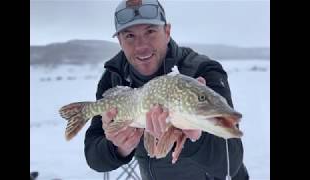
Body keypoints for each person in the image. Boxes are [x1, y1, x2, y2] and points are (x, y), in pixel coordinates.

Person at [84, 0, 249, 179]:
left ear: (167, 32)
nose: (141, 46)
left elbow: (231, 162)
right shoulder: (114, 77)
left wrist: (194, 136)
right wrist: (119, 147)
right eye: (129, 36)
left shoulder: (202, 70)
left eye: (150, 31)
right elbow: (94, 158)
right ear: (120, 41)